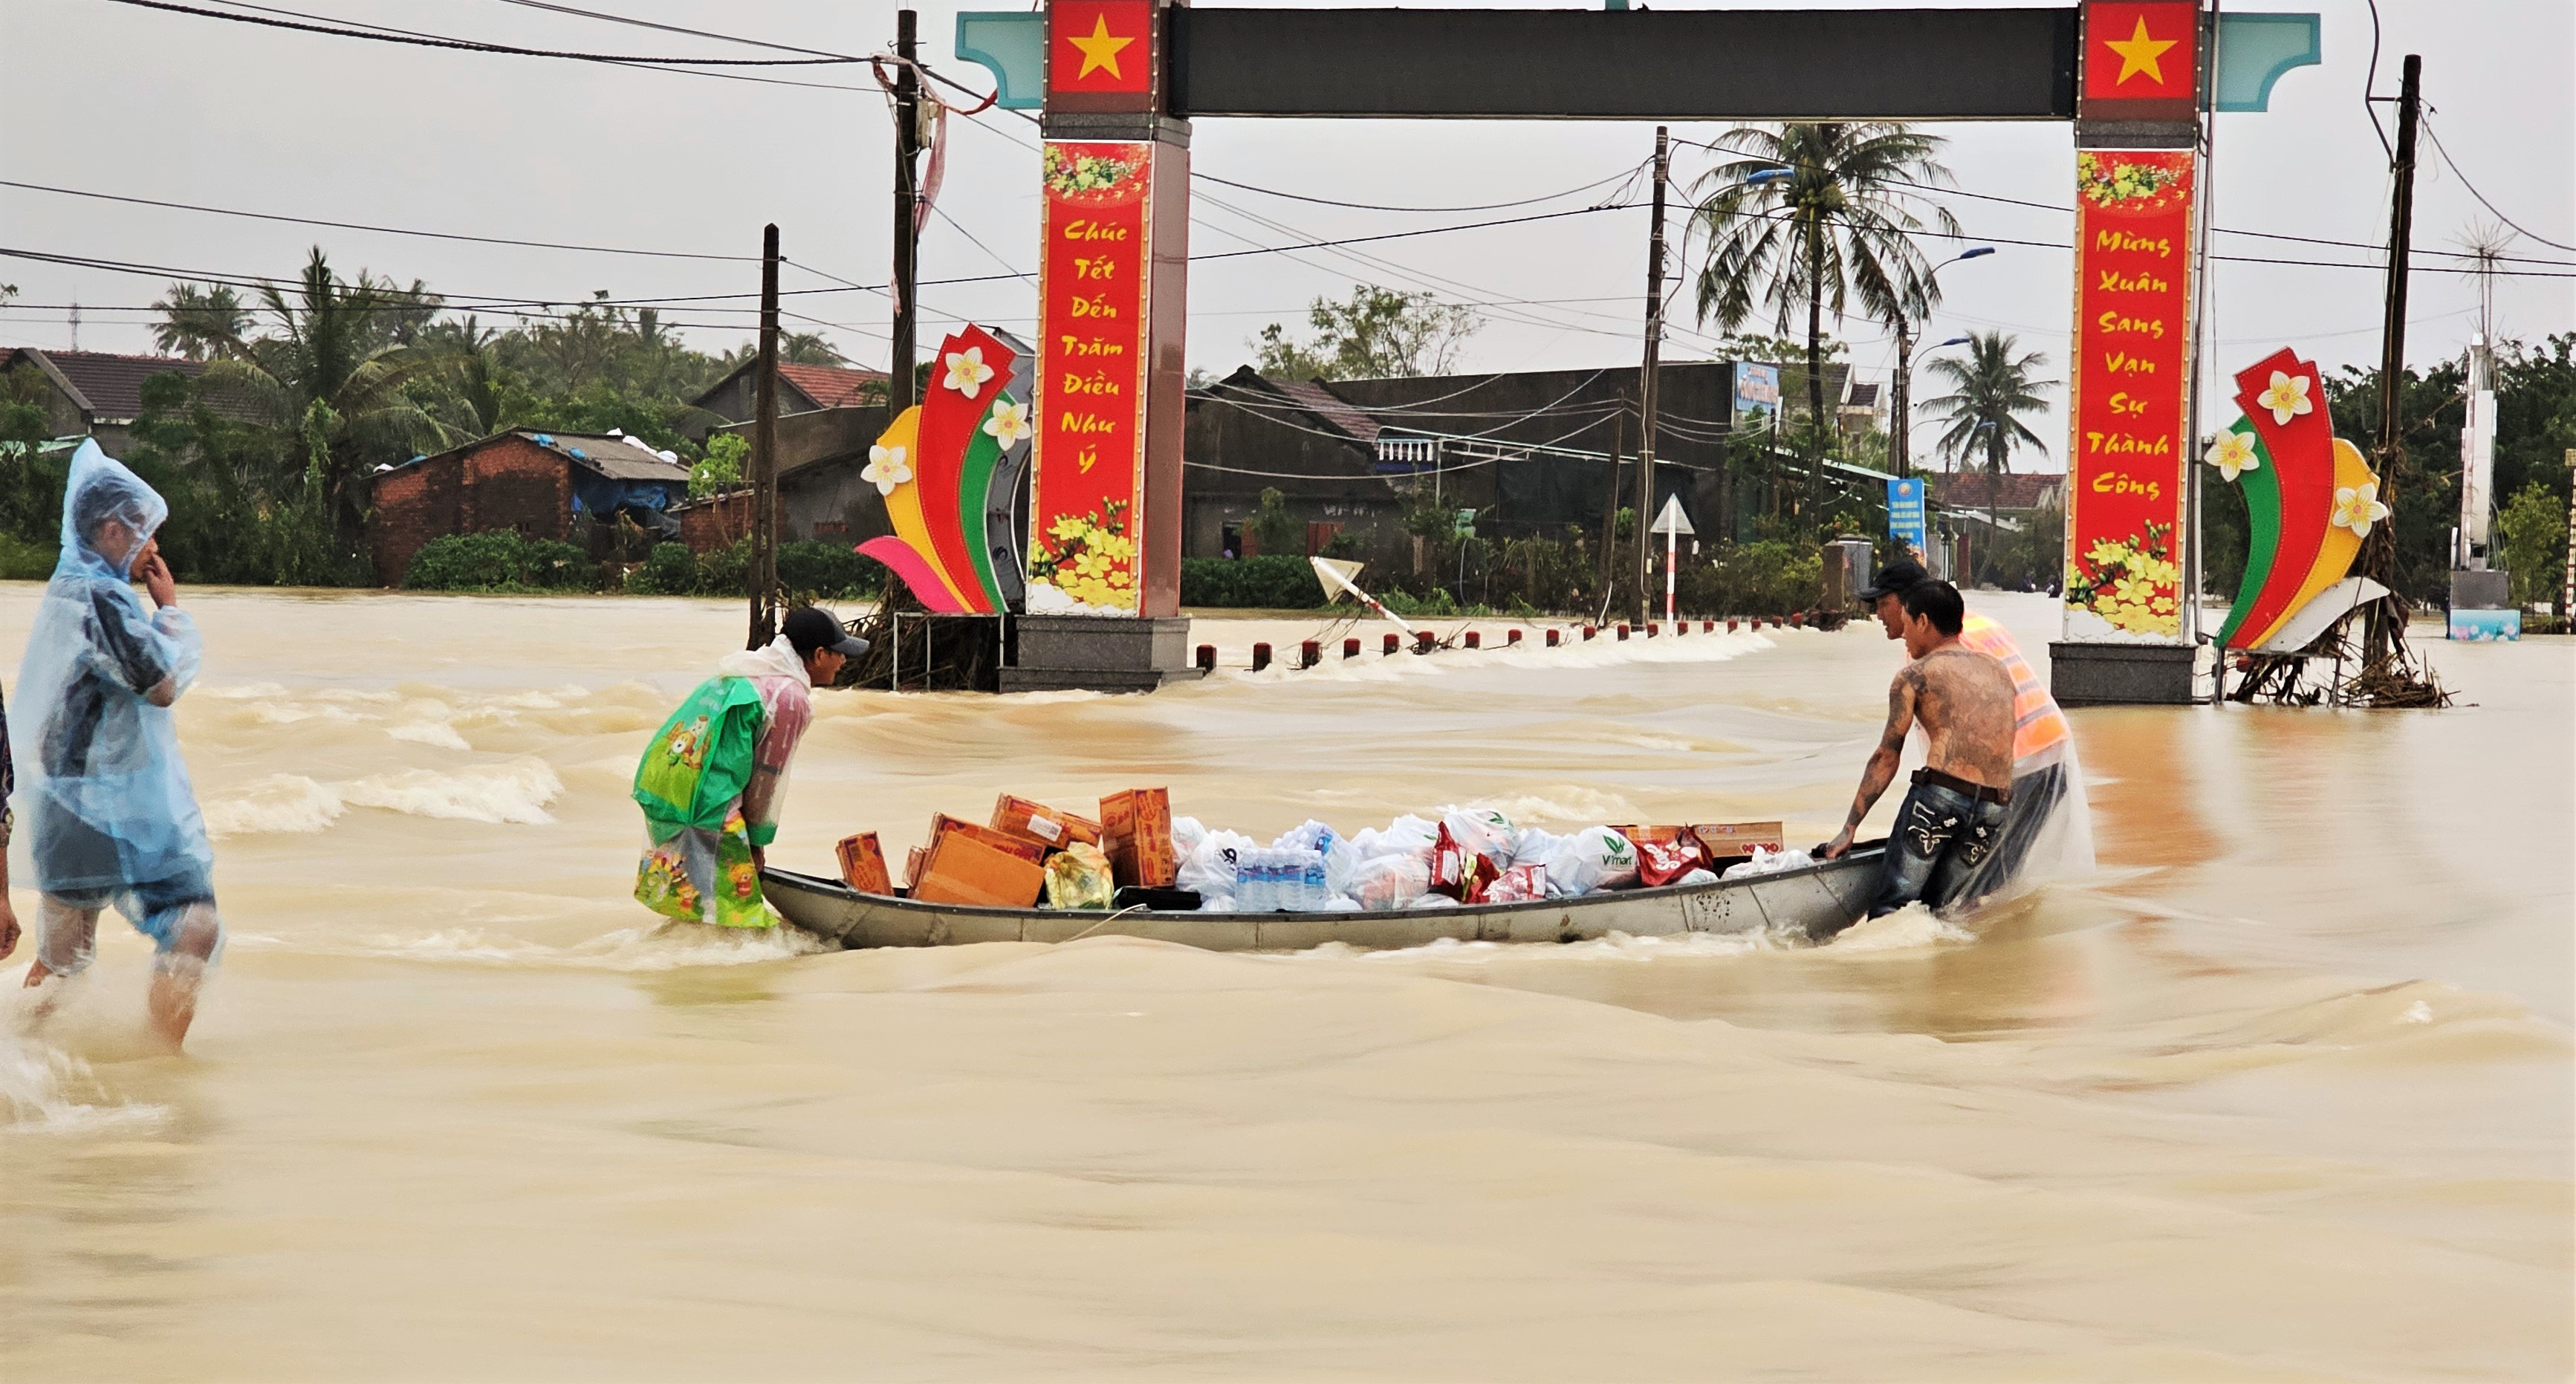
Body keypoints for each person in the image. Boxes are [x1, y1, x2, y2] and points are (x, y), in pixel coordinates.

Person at [3, 441, 222, 1048]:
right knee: (196, 925)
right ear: (109, 529)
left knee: (63, 968)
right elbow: (161, 683)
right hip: (102, 814)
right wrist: (172, 609)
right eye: (145, 531)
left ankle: (18, 1062)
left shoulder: (72, 589)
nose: (153, 546)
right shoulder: (100, 600)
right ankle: (162, 1062)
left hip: (66, 810)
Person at [1855, 555, 2078, 897]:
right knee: (1994, 882)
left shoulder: (1933, 652)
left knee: (1970, 892)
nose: (1879, 615)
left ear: (1914, 608)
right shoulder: (1975, 624)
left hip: (2014, 763)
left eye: (1884, 604)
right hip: (2050, 751)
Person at [632, 606, 867, 929]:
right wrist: (755, 843)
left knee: (699, 904)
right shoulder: (790, 697)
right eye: (839, 654)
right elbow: (767, 777)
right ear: (820, 654)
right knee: (740, 919)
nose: (843, 662)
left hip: (667, 781)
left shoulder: (748, 669)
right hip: (706, 798)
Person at [1818, 581, 2018, 918]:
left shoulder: (1914, 676)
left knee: (1893, 911)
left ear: (1923, 622)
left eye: (1908, 624)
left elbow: (1887, 755)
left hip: (1941, 801)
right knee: (1944, 911)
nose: (1906, 636)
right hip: (1995, 808)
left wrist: (1850, 828)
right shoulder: (1998, 670)